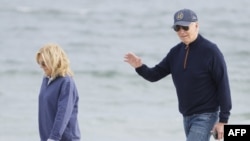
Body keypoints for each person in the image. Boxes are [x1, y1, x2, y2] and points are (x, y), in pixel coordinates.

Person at [124, 8, 232, 141]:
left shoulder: (211, 52)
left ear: (196, 25)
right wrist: (139, 67)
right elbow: (155, 75)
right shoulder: (175, 53)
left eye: (185, 27)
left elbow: (223, 85)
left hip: (206, 115)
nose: (181, 31)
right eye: (177, 27)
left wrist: (223, 120)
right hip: (186, 117)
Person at [36, 43, 81, 141]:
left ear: (53, 60)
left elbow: (63, 112)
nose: (41, 67)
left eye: (43, 63)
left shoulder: (66, 82)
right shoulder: (46, 80)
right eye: (39, 63)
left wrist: (53, 137)